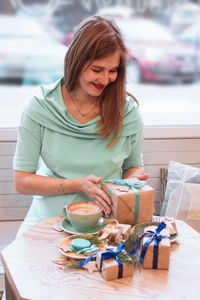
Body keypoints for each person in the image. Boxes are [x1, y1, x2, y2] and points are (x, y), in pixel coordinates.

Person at [13, 15, 149, 236]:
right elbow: (22, 181)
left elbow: (134, 166)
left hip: (106, 223)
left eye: (112, 70)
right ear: (76, 60)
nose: (105, 79)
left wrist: (124, 186)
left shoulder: (128, 112)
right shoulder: (41, 107)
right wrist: (77, 185)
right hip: (48, 220)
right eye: (97, 70)